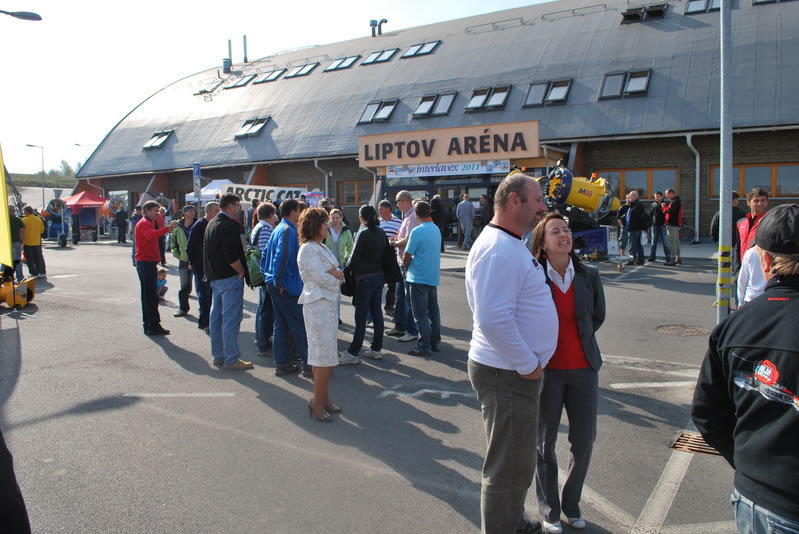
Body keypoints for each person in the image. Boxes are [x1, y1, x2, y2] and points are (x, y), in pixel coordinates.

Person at [692, 203, 799, 534]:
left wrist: (749, 463)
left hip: (759, 497)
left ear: (765, 261)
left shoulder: (734, 326)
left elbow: (707, 414)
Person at [466, 172, 556, 534]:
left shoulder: (509, 243)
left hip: (511, 371)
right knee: (507, 465)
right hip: (509, 373)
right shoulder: (498, 249)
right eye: (537, 200)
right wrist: (529, 364)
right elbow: (492, 317)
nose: (543, 208)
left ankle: (511, 521)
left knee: (516, 462)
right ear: (514, 200)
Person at [530, 213, 606, 534]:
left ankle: (571, 503)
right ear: (543, 245)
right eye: (555, 231)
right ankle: (549, 510)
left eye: (566, 229)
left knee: (584, 441)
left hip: (583, 370)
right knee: (545, 444)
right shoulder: (534, 277)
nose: (564, 234)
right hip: (548, 372)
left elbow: (596, 317)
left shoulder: (589, 275)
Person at [297, 207, 344, 422]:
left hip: (326, 306)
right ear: (315, 225)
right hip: (317, 307)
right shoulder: (308, 249)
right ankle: (316, 402)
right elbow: (320, 277)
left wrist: (336, 274)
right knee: (323, 357)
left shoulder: (320, 246)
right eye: (324, 222)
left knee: (324, 356)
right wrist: (336, 276)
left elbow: (332, 274)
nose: (328, 225)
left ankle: (323, 398)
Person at [203, 193, 254, 371]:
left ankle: (219, 355)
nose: (239, 209)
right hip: (228, 277)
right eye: (238, 205)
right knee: (231, 319)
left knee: (216, 318)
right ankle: (231, 358)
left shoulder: (212, 223)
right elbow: (231, 254)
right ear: (231, 206)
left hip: (215, 277)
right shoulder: (228, 226)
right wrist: (241, 271)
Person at [262, 199, 311, 377]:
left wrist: (273, 279)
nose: (300, 213)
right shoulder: (287, 230)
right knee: (298, 324)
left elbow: (266, 254)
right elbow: (279, 257)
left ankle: (283, 363)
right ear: (293, 212)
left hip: (277, 283)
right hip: (284, 285)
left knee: (281, 324)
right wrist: (280, 281)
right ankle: (308, 364)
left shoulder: (279, 228)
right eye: (299, 210)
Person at [340, 205, 387, 363]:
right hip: (379, 276)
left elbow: (353, 258)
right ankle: (376, 349)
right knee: (377, 313)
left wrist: (345, 269)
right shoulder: (381, 232)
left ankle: (353, 352)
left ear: (361, 218)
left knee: (360, 317)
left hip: (364, 278)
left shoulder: (363, 233)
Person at [403, 201, 442, 356]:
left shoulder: (417, 231)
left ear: (416, 214)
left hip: (417, 276)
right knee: (433, 311)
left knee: (420, 314)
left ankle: (424, 344)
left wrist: (406, 268)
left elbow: (407, 255)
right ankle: (434, 341)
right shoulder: (436, 229)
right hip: (432, 275)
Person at [134, 201, 178, 335]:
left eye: (158, 211)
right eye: (155, 211)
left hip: (147, 262)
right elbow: (150, 236)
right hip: (145, 262)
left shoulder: (148, 222)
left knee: (149, 296)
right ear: (146, 210)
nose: (157, 213)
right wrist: (167, 229)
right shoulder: (145, 223)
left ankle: (150, 324)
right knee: (150, 296)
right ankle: (151, 325)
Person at [390, 190, 420, 343]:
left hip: (407, 263)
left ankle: (411, 330)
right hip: (401, 262)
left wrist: (394, 242)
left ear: (404, 200)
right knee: (400, 296)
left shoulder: (412, 216)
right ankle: (400, 326)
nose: (396, 204)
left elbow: (409, 240)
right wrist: (397, 238)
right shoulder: (407, 216)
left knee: (407, 298)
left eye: (397, 201)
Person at [187, 201, 219, 333]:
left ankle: (210, 320)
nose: (218, 212)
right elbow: (190, 246)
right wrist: (192, 263)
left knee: (211, 294)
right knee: (204, 294)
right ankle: (204, 322)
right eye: (216, 210)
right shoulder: (200, 225)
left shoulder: (214, 224)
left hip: (212, 265)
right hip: (201, 266)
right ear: (209, 211)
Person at [251, 202, 277, 355]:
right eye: (274, 214)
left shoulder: (258, 227)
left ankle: (260, 338)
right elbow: (267, 254)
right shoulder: (265, 229)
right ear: (270, 215)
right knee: (266, 310)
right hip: (265, 274)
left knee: (263, 308)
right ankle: (263, 343)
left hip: (260, 273)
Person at [169, 205, 196, 317]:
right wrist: (177, 254)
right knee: (184, 286)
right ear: (184, 213)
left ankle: (205, 312)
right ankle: (183, 308)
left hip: (197, 260)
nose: (192, 213)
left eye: (193, 211)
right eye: (189, 211)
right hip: (184, 260)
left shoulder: (198, 224)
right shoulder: (178, 226)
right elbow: (173, 242)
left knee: (201, 287)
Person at [710, 191, 747, 272]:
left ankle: (723, 282)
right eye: (736, 200)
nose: (737, 201)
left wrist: (717, 241)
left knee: (723, 268)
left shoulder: (719, 213)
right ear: (733, 201)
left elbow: (713, 229)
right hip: (737, 244)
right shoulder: (742, 214)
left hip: (723, 244)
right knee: (737, 267)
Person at [378, 200, 402, 316]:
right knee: (378, 284)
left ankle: (389, 307)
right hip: (379, 258)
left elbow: (401, 238)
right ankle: (376, 308)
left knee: (392, 284)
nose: (379, 211)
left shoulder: (399, 222)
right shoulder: (377, 222)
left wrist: (394, 241)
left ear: (388, 209)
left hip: (393, 258)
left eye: (380, 209)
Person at [736, 187, 769, 263]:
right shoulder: (740, 223)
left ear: (767, 202)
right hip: (743, 267)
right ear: (748, 202)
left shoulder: (771, 222)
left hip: (761, 269)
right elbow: (737, 247)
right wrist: (737, 269)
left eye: (763, 200)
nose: (760, 203)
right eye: (756, 200)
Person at [647, 191, 674, 265]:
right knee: (653, 242)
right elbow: (650, 214)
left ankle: (668, 257)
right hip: (654, 225)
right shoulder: (653, 204)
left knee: (665, 242)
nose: (656, 198)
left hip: (663, 225)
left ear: (662, 197)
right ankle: (652, 257)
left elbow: (668, 213)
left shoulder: (665, 204)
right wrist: (650, 222)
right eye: (655, 197)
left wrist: (663, 207)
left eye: (658, 197)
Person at [21, 206, 46, 279]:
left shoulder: (24, 220)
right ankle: (40, 272)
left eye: (24, 212)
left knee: (29, 259)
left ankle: (33, 273)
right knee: (38, 258)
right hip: (37, 242)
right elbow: (42, 230)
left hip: (27, 242)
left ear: (27, 212)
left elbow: (22, 231)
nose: (23, 213)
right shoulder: (38, 219)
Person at [623, 191, 646, 266]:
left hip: (634, 228)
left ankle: (631, 260)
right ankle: (640, 260)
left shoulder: (637, 205)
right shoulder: (634, 205)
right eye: (629, 196)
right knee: (638, 245)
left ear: (636, 197)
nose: (630, 197)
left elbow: (636, 217)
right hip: (634, 228)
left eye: (631, 196)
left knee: (632, 245)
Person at [4, 206, 25, 283]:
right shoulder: (18, 220)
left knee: (5, 261)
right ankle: (20, 278)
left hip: (5, 243)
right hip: (16, 242)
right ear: (13, 211)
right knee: (17, 261)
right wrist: (22, 242)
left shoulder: (3, 220)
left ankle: (4, 278)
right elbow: (21, 232)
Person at [665, 188, 683, 265]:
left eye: (667, 194)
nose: (666, 196)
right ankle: (678, 258)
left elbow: (670, 211)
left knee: (672, 242)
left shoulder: (675, 201)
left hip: (672, 224)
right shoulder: (676, 200)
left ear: (672, 193)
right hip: (674, 224)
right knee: (676, 241)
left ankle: (673, 259)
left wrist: (664, 207)